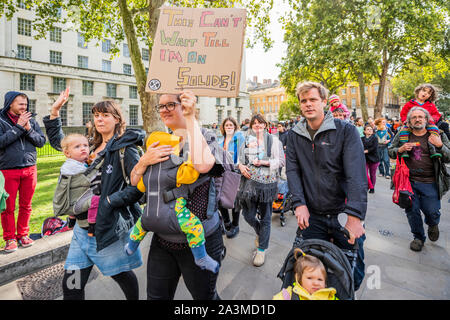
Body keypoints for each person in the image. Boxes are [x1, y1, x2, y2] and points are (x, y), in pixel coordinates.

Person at [43, 88, 144, 300]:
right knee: (72, 285)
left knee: (122, 275)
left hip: (107, 228)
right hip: (81, 230)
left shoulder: (126, 149)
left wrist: (107, 202)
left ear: (117, 119)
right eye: (96, 115)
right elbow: (62, 144)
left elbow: (138, 188)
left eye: (105, 115)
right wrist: (54, 112)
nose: (99, 119)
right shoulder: (91, 145)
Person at [130, 91, 225, 300]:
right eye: (160, 106)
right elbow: (136, 183)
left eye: (170, 105)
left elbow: (203, 165)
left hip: (201, 240)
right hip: (162, 238)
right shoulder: (160, 140)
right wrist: (143, 162)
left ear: (185, 105)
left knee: (205, 298)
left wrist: (191, 118)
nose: (163, 110)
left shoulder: (204, 135)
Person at [285, 81, 367, 289]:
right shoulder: (294, 135)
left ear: (323, 102)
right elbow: (293, 171)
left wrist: (355, 216)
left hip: (343, 214)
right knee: (307, 272)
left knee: (352, 275)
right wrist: (298, 204)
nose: (308, 104)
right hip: (312, 214)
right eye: (304, 101)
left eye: (313, 99)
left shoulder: (346, 131)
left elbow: (356, 175)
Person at [125, 131, 219, 273]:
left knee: (139, 228)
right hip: (173, 214)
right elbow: (191, 175)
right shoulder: (174, 168)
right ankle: (201, 257)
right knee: (195, 228)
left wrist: (143, 164)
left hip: (149, 214)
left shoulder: (147, 172)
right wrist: (189, 159)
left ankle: (131, 247)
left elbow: (139, 186)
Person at [388, 107, 450, 252]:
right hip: (408, 182)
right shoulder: (402, 134)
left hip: (431, 182)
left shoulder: (438, 134)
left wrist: (440, 145)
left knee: (432, 211)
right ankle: (418, 237)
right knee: (412, 211)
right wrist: (400, 149)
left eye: (420, 117)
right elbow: (390, 151)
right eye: (414, 117)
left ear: (426, 119)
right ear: (409, 121)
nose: (417, 119)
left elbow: (449, 156)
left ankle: (433, 223)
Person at [0, 91, 46, 253]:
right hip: (7, 170)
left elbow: (41, 142)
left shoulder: (31, 121)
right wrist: (18, 127)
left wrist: (28, 129)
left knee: (26, 205)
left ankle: (23, 235)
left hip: (30, 168)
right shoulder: (1, 120)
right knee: (8, 208)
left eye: (26, 104)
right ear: (10, 103)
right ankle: (10, 238)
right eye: (20, 104)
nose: (24, 107)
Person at [238, 114, 285, 267]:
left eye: (260, 123)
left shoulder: (274, 141)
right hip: (249, 185)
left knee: (265, 217)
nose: (257, 126)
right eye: (254, 123)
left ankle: (261, 249)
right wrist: (241, 166)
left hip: (267, 184)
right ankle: (260, 232)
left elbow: (281, 161)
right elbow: (238, 159)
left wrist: (263, 162)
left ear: (265, 125)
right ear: (251, 126)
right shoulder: (246, 140)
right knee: (247, 214)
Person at [273, 248, 338, 300]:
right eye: (310, 278)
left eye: (320, 279)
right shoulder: (289, 294)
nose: (316, 283)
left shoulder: (329, 296)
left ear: (325, 283)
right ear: (299, 278)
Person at [217, 117, 244, 238]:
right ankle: (227, 222)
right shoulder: (219, 140)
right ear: (223, 127)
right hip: (222, 172)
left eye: (231, 125)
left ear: (235, 127)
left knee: (235, 199)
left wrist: (239, 165)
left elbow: (243, 154)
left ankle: (235, 225)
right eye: (226, 125)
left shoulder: (239, 138)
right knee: (220, 198)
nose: (228, 127)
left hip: (235, 171)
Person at [361, 125, 379, 193]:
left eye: (371, 129)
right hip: (364, 159)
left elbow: (374, 147)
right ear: (364, 131)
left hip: (374, 159)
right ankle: (368, 186)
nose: (370, 130)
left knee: (372, 174)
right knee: (364, 173)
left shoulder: (375, 138)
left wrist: (366, 151)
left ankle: (372, 188)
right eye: (368, 129)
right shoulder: (361, 138)